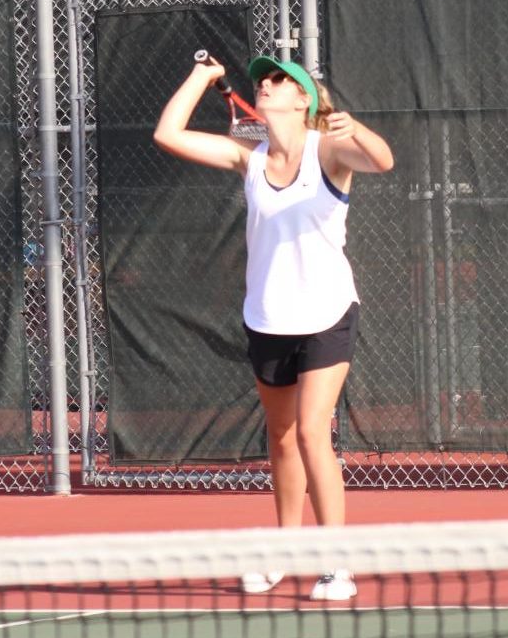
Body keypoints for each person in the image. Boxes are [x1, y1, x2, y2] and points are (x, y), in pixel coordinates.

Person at [153, 52, 393, 600]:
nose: (266, 84)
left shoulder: (328, 150)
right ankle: (286, 553)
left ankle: (337, 566)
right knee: (281, 438)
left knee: (312, 431)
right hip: (267, 317)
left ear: (303, 100)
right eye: (263, 79)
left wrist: (358, 130)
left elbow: (383, 161)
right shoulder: (249, 158)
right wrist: (201, 76)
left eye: (281, 81)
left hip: (327, 313)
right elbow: (168, 134)